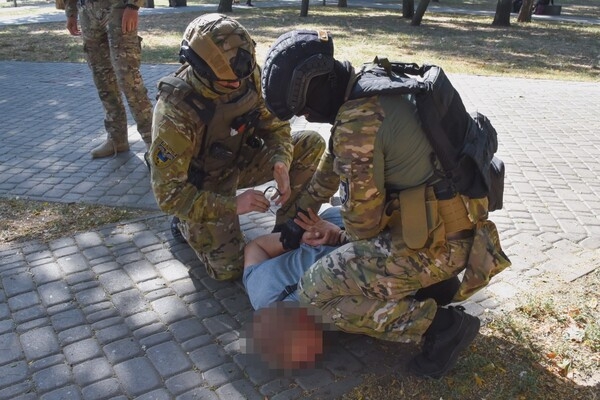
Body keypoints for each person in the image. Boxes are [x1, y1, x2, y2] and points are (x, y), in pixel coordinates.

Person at [259, 29, 511, 378]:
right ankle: (434, 286)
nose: (309, 117)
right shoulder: (370, 81)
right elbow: (332, 165)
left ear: (316, 88)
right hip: (459, 223)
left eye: (304, 109)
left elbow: (363, 227)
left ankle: (441, 327)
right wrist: (297, 215)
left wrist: (334, 235)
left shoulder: (358, 123)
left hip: (444, 244)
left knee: (315, 295)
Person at [146, 15, 325, 282]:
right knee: (229, 269)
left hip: (241, 160)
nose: (236, 85)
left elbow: (275, 127)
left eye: (240, 78)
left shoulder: (247, 75)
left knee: (311, 143)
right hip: (204, 184)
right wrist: (234, 205)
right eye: (226, 82)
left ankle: (286, 230)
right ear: (202, 69)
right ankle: (184, 224)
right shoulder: (175, 111)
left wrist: (281, 161)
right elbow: (169, 196)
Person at [65, 0, 154, 158]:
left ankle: (153, 142)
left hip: (117, 8)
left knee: (128, 79)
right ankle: (116, 139)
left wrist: (133, 5)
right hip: (87, 11)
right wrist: (71, 13)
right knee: (103, 79)